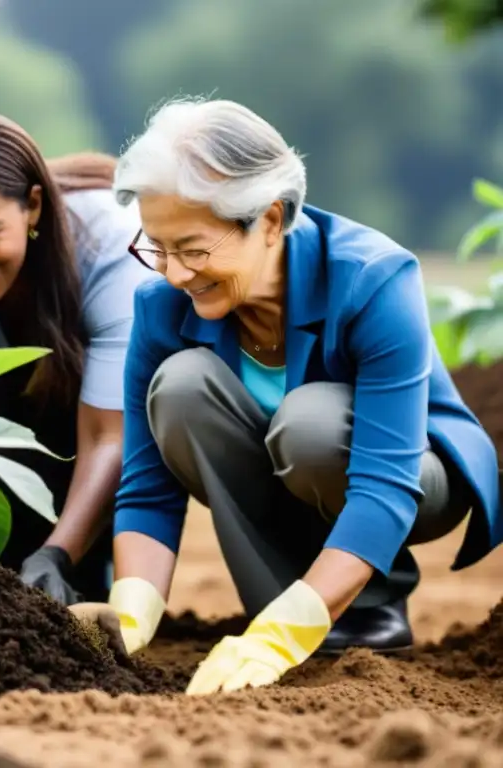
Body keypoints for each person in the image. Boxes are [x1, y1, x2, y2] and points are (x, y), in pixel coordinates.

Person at [69, 96, 501, 694]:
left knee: (311, 423)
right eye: (157, 248)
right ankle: (285, 602)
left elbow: (384, 486)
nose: (173, 273)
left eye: (193, 248)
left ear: (270, 220)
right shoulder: (160, 305)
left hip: (411, 475)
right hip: (286, 464)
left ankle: (359, 609)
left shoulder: (373, 278)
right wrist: (132, 614)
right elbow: (148, 486)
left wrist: (283, 636)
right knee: (182, 388)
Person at [0, 111, 158, 605]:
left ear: (33, 207)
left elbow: (110, 435)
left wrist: (56, 554)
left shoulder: (113, 248)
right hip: (59, 407)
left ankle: (88, 556)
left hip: (136, 422)